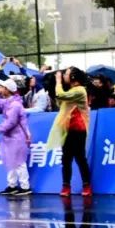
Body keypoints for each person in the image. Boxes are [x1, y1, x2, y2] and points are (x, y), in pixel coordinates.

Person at [47, 67, 91, 197]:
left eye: (66, 74)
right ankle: (66, 186)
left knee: (80, 158)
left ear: (73, 77)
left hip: (79, 129)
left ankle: (87, 185)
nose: (64, 76)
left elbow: (61, 95)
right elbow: (61, 103)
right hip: (67, 128)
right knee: (66, 159)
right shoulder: (71, 90)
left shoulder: (80, 90)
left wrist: (58, 81)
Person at [0, 78, 32, 196]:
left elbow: (11, 122)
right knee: (11, 161)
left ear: (7, 90)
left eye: (2, 87)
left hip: (18, 137)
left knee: (19, 162)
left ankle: (25, 186)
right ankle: (12, 185)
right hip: (10, 137)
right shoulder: (7, 102)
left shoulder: (15, 105)